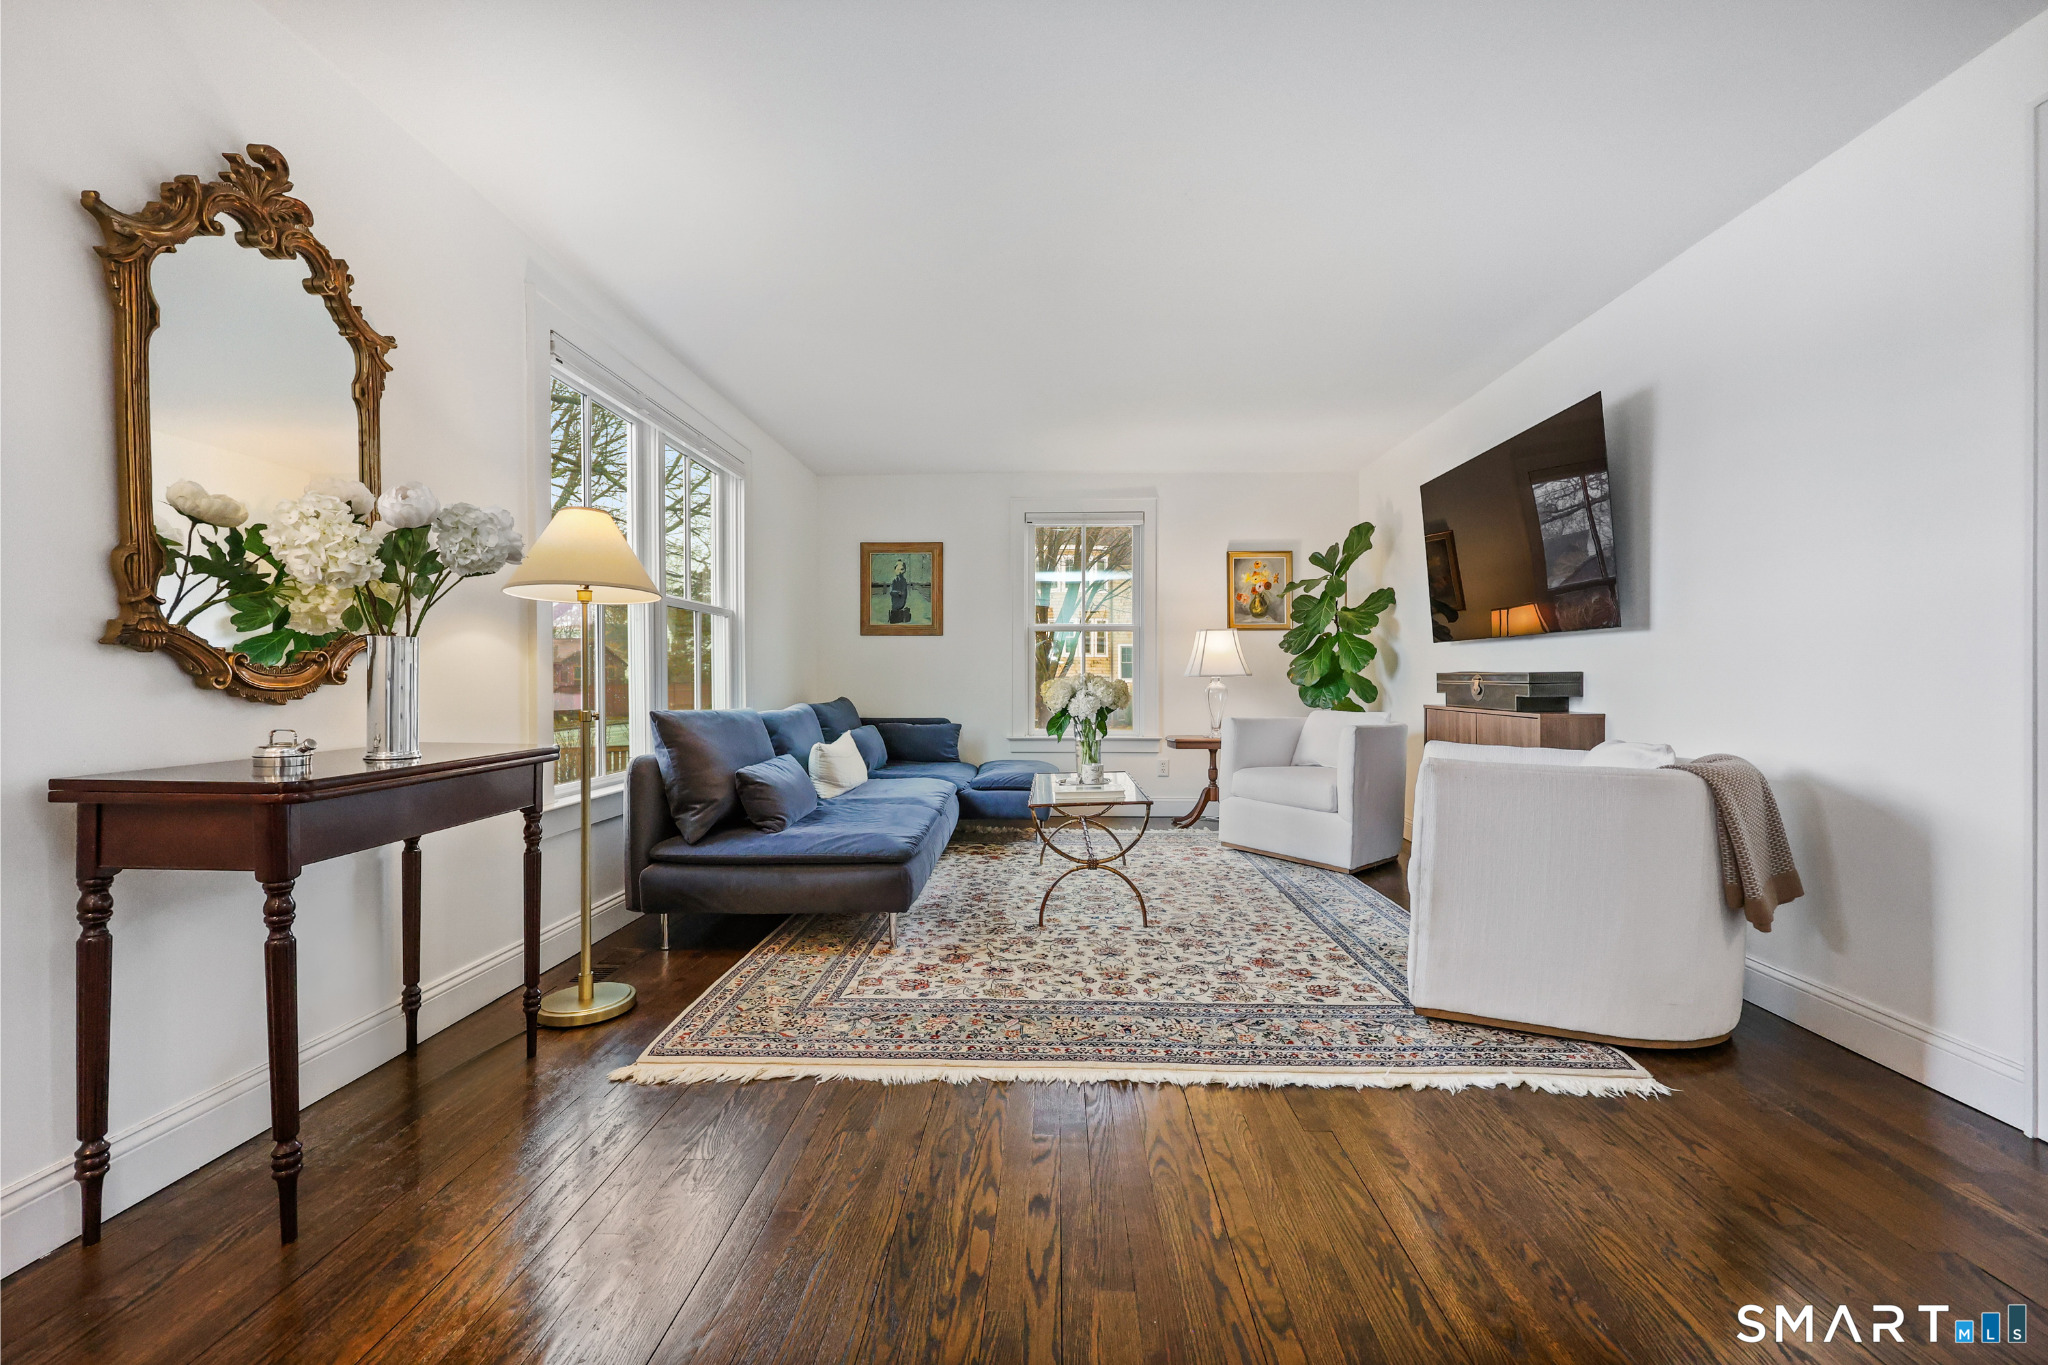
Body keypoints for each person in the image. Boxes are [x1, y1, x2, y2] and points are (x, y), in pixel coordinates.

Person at [887, 559, 912, 623]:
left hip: (902, 605)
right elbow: (891, 592)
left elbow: (905, 591)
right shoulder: (894, 580)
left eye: (902, 569)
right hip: (895, 606)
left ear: (905, 570)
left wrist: (904, 598)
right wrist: (898, 593)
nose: (900, 572)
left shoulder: (904, 581)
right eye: (898, 569)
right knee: (894, 621)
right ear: (895, 570)